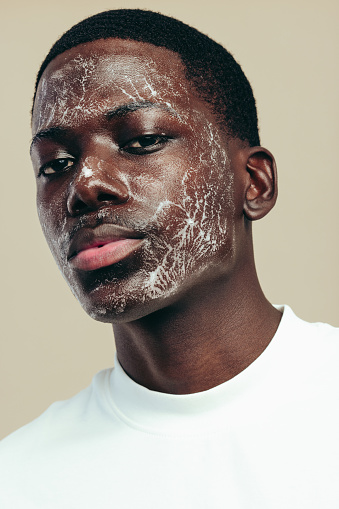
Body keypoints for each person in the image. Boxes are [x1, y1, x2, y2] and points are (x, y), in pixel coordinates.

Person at [1, 8, 338, 508]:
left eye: (141, 141)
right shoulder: (20, 479)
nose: (84, 185)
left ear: (254, 183)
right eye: (56, 164)